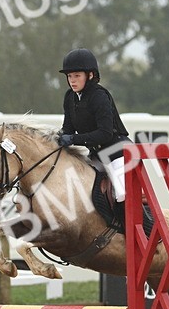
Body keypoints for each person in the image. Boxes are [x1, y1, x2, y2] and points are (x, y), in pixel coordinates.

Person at [56, 48, 131, 202]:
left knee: (122, 196)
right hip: (97, 156)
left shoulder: (99, 96)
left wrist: (73, 139)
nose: (72, 80)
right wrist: (57, 138)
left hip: (118, 155)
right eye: (69, 76)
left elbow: (105, 134)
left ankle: (142, 223)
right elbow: (68, 129)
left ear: (90, 75)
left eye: (77, 76)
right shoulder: (70, 97)